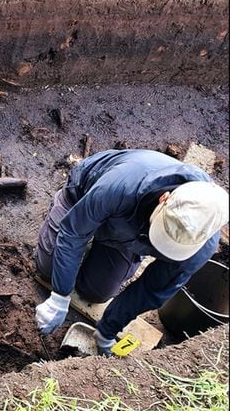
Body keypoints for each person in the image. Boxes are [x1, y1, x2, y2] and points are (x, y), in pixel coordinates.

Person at [33, 148, 229, 355]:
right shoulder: (121, 185)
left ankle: (97, 250)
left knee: (97, 292)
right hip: (83, 197)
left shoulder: (200, 247)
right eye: (164, 234)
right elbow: (73, 232)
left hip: (126, 237)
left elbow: (152, 289)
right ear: (164, 198)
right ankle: (72, 234)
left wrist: (108, 331)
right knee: (49, 269)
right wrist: (60, 296)